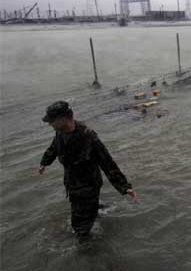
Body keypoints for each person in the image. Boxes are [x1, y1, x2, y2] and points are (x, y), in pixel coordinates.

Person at [38, 101, 137, 236]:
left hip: (88, 187)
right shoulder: (60, 132)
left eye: (51, 121)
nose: (50, 124)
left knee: (80, 229)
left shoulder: (87, 136)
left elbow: (106, 162)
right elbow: (54, 147)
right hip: (72, 184)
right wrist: (45, 162)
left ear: (62, 119)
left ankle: (88, 251)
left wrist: (124, 186)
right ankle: (97, 210)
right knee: (86, 213)